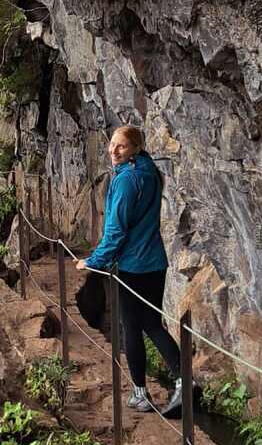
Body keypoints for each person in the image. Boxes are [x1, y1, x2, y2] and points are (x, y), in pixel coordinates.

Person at [75, 125, 184, 416]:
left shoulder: (125, 181)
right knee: (152, 324)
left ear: (136, 147)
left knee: (132, 326)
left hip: (133, 266)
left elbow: (116, 231)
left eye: (121, 146)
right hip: (155, 263)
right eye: (112, 144)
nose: (113, 150)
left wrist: (93, 261)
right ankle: (182, 382)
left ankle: (142, 394)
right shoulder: (151, 172)